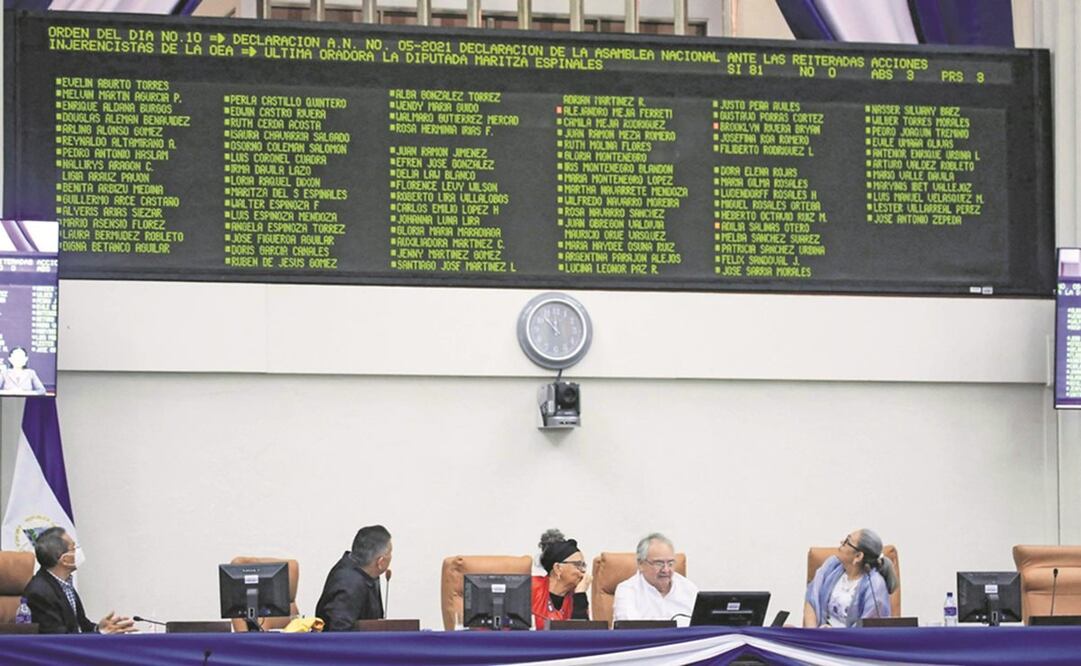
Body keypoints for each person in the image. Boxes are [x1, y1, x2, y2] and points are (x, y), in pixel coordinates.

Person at [23, 526, 134, 634]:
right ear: (65, 560)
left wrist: (97, 628)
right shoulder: (39, 593)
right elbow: (60, 639)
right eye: (74, 548)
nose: (78, 551)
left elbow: (80, 625)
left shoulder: (64, 583)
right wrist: (101, 634)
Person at [804, 528, 898, 628]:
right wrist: (814, 634)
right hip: (820, 637)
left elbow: (868, 629)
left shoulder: (875, 585)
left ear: (858, 556)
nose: (841, 542)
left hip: (850, 641)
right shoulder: (831, 566)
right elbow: (811, 601)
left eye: (847, 541)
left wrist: (833, 636)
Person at [315, 525, 392, 631]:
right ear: (380, 562)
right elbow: (340, 635)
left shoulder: (368, 572)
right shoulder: (349, 585)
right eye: (390, 553)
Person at [613, 533, 699, 627]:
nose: (666, 570)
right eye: (659, 563)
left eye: (670, 563)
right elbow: (629, 631)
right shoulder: (627, 591)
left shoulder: (689, 588)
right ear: (641, 564)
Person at [531, 538, 589, 629]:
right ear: (557, 568)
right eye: (578, 565)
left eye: (583, 565)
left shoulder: (577, 597)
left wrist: (580, 594)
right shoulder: (532, 588)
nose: (583, 571)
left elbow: (583, 636)